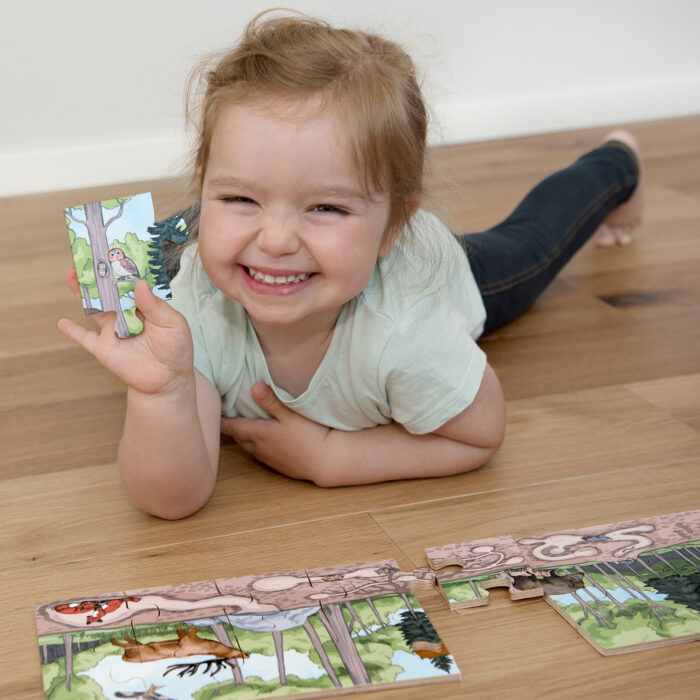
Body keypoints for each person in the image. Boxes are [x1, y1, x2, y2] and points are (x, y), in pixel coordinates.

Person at [58, 11, 643, 519]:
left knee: (533, 244)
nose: (279, 239)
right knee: (195, 247)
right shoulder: (200, 309)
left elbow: (480, 437)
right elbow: (173, 498)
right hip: (215, 255)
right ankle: (233, 213)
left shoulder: (408, 330)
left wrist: (334, 457)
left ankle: (617, 161)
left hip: (434, 272)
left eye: (327, 206)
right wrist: (162, 392)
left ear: (392, 225)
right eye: (239, 196)